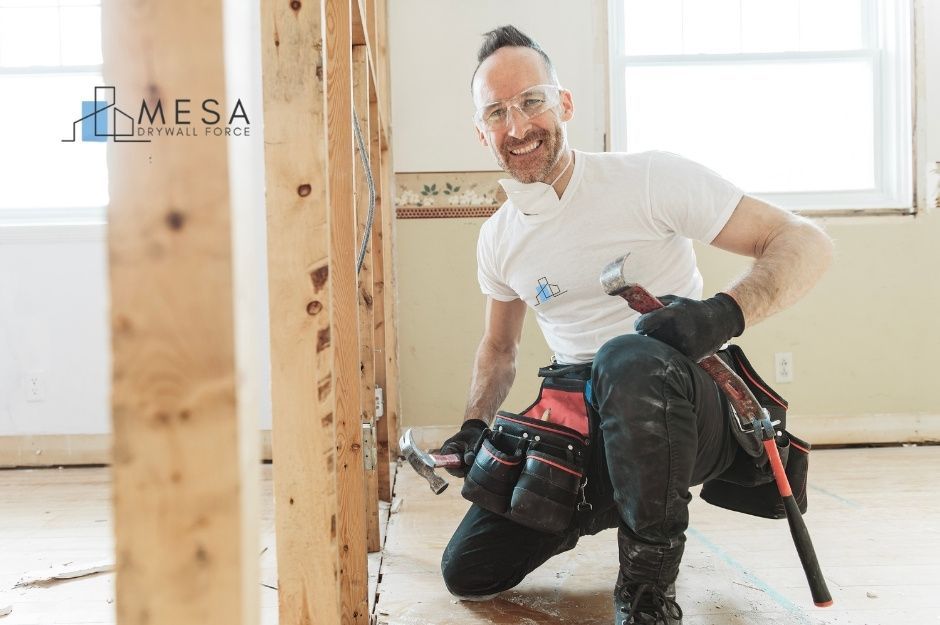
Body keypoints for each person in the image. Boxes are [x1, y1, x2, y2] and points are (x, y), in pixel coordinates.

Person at [438, 25, 833, 625]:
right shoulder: (499, 239)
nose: (517, 127)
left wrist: (721, 313)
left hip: (683, 398)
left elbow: (805, 241)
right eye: (497, 112)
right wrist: (472, 423)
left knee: (626, 356)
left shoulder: (647, 178)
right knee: (468, 570)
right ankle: (622, 493)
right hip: (583, 419)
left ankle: (647, 587)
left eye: (531, 102)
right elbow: (499, 347)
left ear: (564, 103)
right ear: (481, 132)